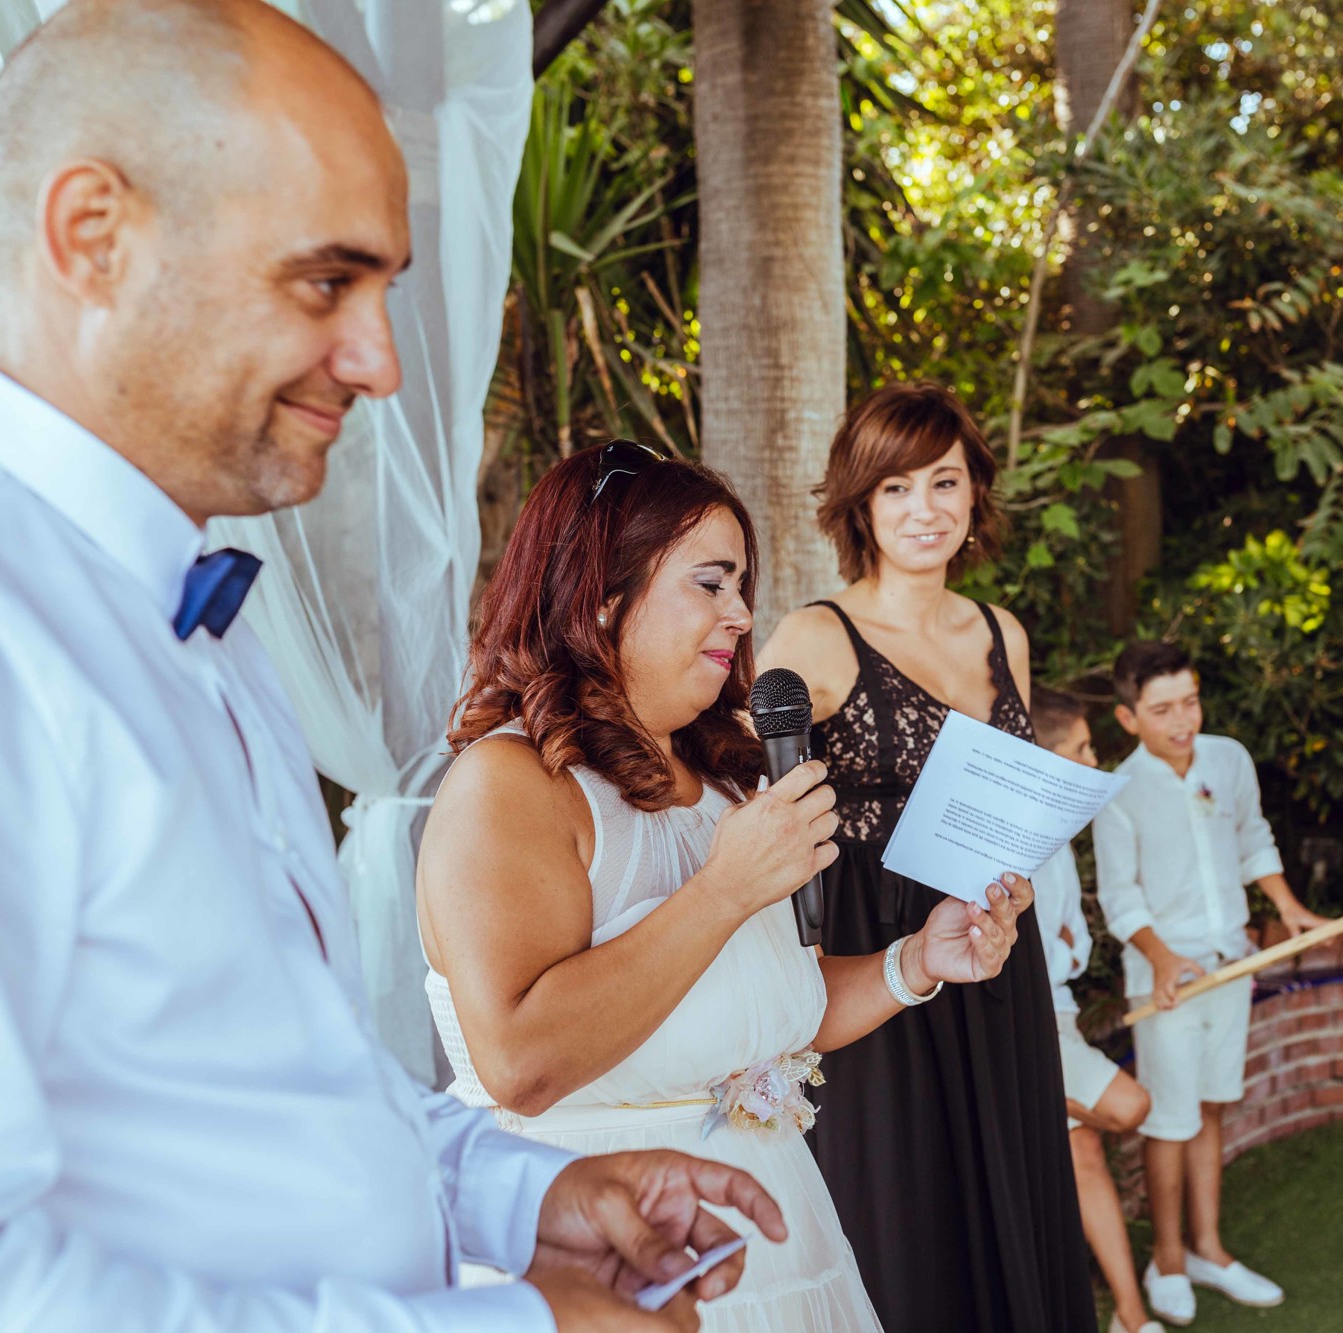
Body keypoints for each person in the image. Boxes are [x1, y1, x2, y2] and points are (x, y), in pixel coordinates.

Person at [0, 4, 787, 1330]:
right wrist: (517, 1323)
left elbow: (284, 1083)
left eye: (384, 289)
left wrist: (525, 1194)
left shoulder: (206, 621)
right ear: (93, 237)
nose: (379, 363)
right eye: (324, 282)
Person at [416, 442, 1031, 1331]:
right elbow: (522, 1063)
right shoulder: (508, 784)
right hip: (608, 1251)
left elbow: (768, 1014)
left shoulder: (728, 779)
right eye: (710, 583)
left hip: (782, 1238)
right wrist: (724, 889)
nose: (741, 614)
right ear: (600, 594)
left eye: (742, 585)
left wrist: (914, 962)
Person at [757, 382, 1093, 1333]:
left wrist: (1018, 883)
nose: (924, 508)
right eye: (896, 487)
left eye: (944, 481)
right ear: (860, 503)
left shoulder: (1002, 632)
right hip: (874, 961)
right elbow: (748, 814)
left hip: (996, 952)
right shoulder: (813, 636)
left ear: (975, 492)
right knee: (903, 1216)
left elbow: (1011, 801)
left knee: (1011, 1189)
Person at [1094, 642, 1323, 1325]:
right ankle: (1166, 1258)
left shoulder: (1229, 758)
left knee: (1214, 1107)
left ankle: (1208, 1250)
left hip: (1231, 966)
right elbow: (1121, 899)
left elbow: (1254, 838)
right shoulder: (1117, 793)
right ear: (1129, 717)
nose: (1183, 720)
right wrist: (1163, 960)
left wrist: (1286, 906)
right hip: (1167, 984)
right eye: (1163, 709)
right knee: (1170, 1122)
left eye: (1190, 702)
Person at [1027, 687, 1163, 1333]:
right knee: (1129, 1106)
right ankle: (1025, 1098)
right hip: (1031, 1025)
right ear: (1045, 755)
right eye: (1082, 749)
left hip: (1061, 1013)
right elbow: (1036, 958)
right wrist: (1056, 949)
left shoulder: (1056, 838)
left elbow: (1074, 951)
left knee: (1085, 1159)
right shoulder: (1011, 839)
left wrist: (1058, 948)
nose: (1093, 761)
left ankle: (1131, 1316)